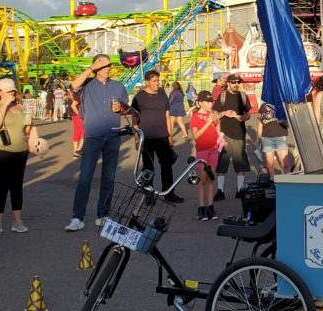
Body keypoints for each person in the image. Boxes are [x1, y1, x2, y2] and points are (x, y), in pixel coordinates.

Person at [66, 54, 129, 231]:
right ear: (96, 67)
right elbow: (73, 86)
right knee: (85, 178)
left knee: (108, 178)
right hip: (93, 137)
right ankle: (77, 217)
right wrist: (90, 68)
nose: (109, 67)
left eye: (110, 65)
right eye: (105, 65)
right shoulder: (86, 86)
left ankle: (103, 214)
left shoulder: (118, 86)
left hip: (112, 137)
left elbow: (126, 107)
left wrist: (121, 108)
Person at [0, 78, 31, 236]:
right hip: (1, 151)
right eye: (8, 91)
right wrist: (4, 105)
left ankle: (17, 221)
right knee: (2, 185)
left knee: (17, 186)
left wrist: (30, 137)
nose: (12, 93)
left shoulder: (20, 106)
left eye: (13, 90)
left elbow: (27, 128)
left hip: (20, 151)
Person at [130, 69, 182, 202]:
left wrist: (170, 136)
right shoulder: (139, 97)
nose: (156, 83)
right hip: (146, 137)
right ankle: (149, 195)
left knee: (167, 165)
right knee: (148, 167)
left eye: (158, 80)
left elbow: (167, 116)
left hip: (162, 136)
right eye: (153, 81)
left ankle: (169, 193)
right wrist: (137, 139)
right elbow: (134, 119)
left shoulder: (162, 94)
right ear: (147, 82)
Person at [214, 74, 254, 199]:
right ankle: (220, 191)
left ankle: (240, 190)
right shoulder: (223, 96)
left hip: (239, 135)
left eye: (238, 82)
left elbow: (248, 115)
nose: (236, 84)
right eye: (233, 82)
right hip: (224, 135)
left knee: (240, 164)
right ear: (229, 83)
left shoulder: (243, 96)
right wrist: (225, 113)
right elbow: (215, 114)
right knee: (221, 164)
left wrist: (243, 117)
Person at [189, 91, 220, 220]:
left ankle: (210, 207)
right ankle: (201, 208)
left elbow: (218, 132)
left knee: (211, 179)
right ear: (200, 102)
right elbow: (195, 136)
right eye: (207, 101)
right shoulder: (195, 116)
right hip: (202, 151)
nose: (210, 104)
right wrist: (207, 123)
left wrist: (216, 122)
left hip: (214, 150)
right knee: (202, 179)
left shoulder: (213, 114)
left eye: (211, 101)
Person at [255, 100, 295, 176]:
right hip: (266, 138)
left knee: (285, 165)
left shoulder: (281, 103)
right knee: (270, 165)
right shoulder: (263, 106)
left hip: (280, 137)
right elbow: (261, 123)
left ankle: (289, 184)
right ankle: (273, 184)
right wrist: (257, 139)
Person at [68, 88, 84, 158]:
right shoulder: (80, 95)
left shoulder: (79, 95)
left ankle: (77, 151)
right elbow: (73, 106)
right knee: (83, 132)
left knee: (80, 133)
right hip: (78, 116)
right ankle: (77, 150)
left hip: (76, 116)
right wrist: (79, 115)